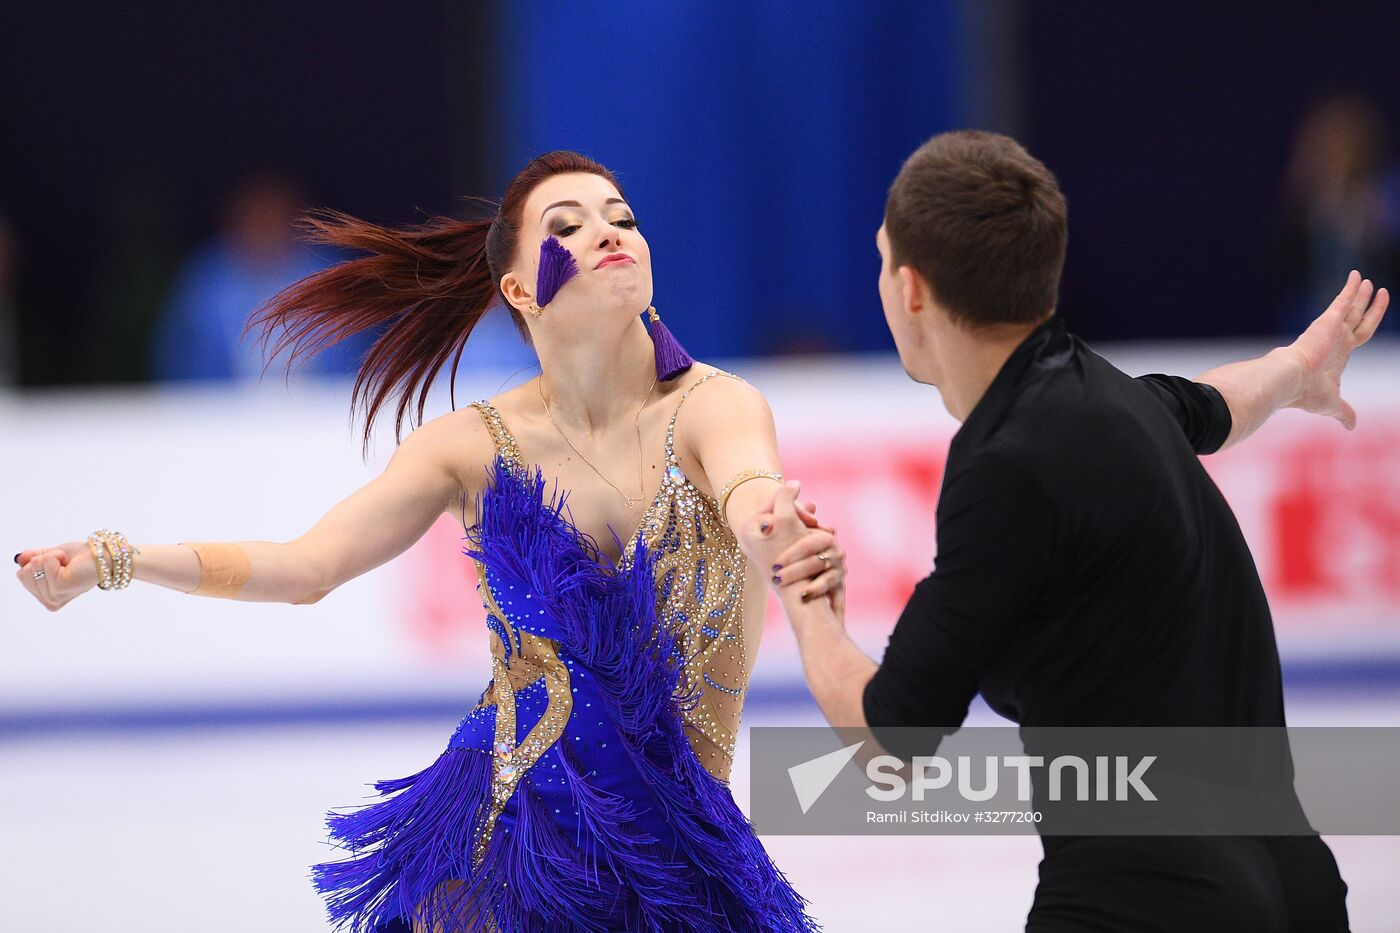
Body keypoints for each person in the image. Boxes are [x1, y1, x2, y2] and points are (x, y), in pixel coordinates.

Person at [13, 152, 844, 932]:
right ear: (519, 289)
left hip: (678, 864)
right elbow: (306, 566)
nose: (607, 231)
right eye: (566, 225)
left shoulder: (713, 405)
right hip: (501, 852)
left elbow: (750, 493)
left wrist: (773, 522)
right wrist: (115, 561)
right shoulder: (471, 445)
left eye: (621, 216)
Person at [742, 131, 1388, 932]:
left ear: (911, 289)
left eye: (881, 260)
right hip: (1298, 886)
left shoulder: (1006, 468)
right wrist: (1297, 368)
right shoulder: (1105, 395)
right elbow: (1213, 405)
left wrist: (804, 593)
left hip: (1147, 893)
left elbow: (891, 737)